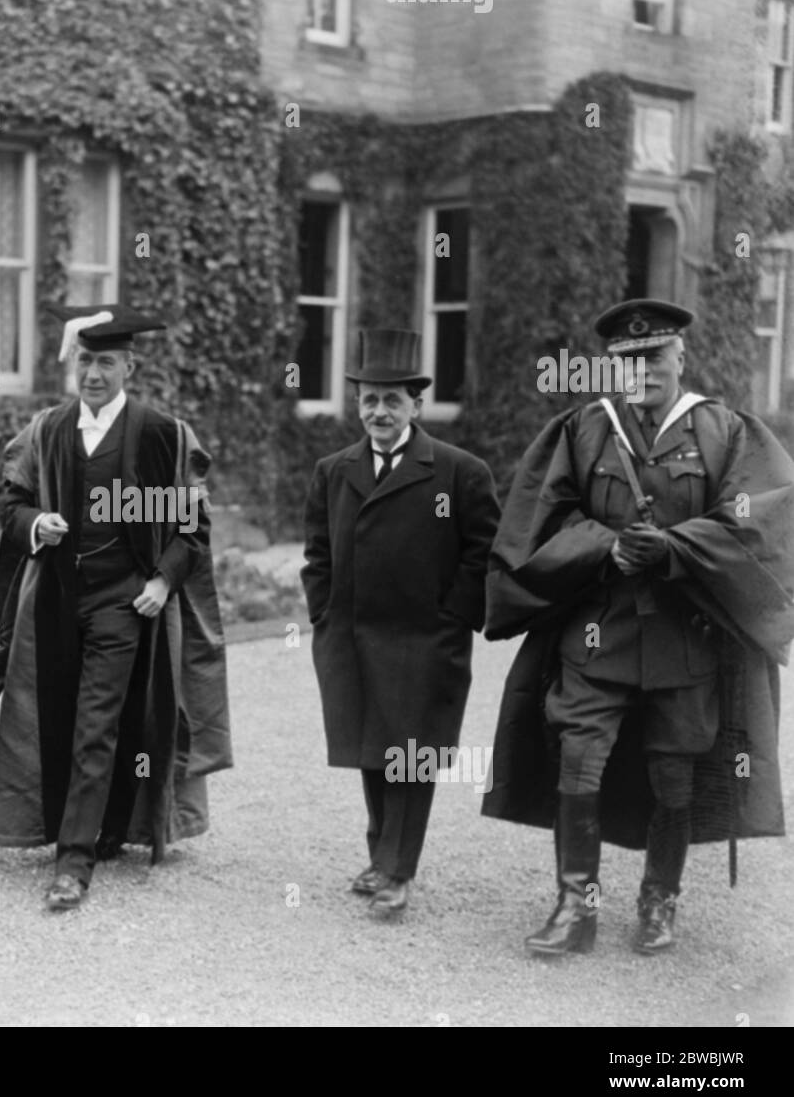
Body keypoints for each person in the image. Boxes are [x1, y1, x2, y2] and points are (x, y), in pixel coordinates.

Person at [483, 298, 794, 956]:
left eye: (653, 357)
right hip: (597, 638)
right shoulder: (583, 430)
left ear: (680, 357)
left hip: (685, 641)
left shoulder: (723, 431)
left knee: (674, 773)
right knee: (578, 761)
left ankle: (659, 899)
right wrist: (606, 548)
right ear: (609, 365)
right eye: (626, 359)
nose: (640, 370)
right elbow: (539, 521)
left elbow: (758, 519)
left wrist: (677, 549)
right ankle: (576, 906)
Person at [0, 304, 231, 910]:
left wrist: (161, 581)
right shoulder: (48, 431)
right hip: (55, 598)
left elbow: (189, 529)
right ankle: (93, 829)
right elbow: (11, 506)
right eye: (85, 360)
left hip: (123, 602)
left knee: (97, 723)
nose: (93, 373)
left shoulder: (158, 435)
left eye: (106, 361)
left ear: (130, 364)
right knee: (56, 717)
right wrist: (35, 524)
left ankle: (73, 864)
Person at [301, 329, 500, 913]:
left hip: (423, 640)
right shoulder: (334, 470)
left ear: (416, 405)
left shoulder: (458, 472)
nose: (380, 412)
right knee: (371, 747)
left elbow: (482, 552)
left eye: (393, 401)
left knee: (411, 755)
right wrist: (324, 613)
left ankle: (397, 869)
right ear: (357, 405)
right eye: (369, 400)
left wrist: (451, 619)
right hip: (353, 637)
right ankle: (380, 855)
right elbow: (318, 552)